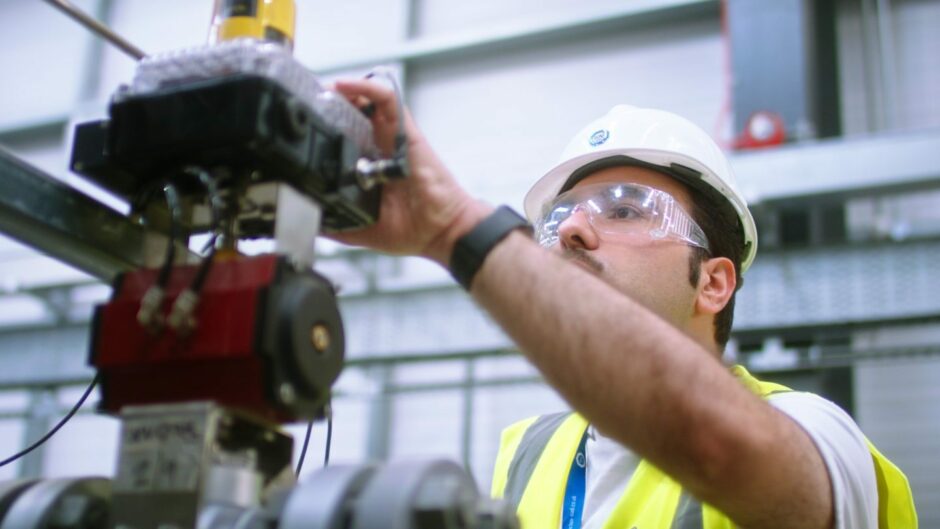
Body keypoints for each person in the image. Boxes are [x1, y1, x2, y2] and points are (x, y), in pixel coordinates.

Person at [331, 79, 917, 529]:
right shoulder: (528, 452)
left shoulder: (814, 433)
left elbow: (718, 447)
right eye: (562, 216)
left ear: (714, 283)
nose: (572, 231)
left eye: (626, 208)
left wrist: (454, 230)